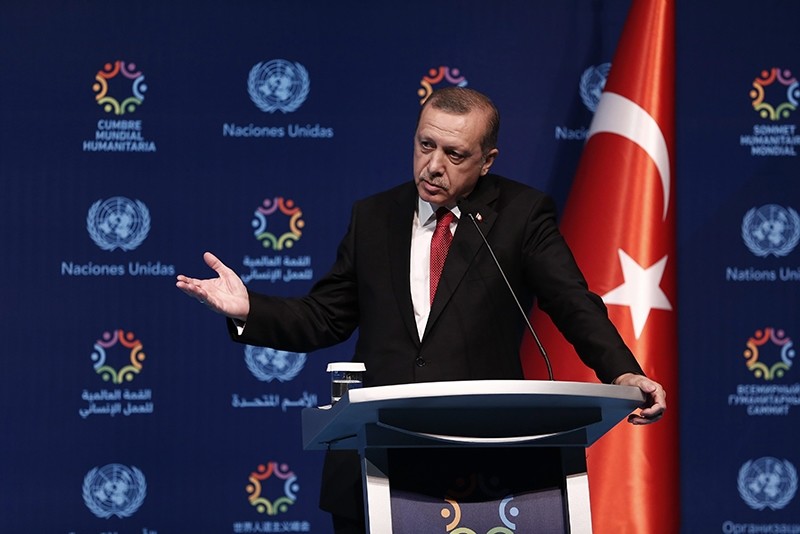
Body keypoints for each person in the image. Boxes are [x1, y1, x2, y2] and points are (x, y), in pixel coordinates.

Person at [176, 87, 666, 534]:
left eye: (455, 154)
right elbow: (324, 318)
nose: (433, 166)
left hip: (482, 472)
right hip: (376, 463)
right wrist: (249, 308)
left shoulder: (521, 214)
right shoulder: (374, 217)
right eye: (425, 145)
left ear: (487, 161)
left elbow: (572, 302)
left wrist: (621, 372)